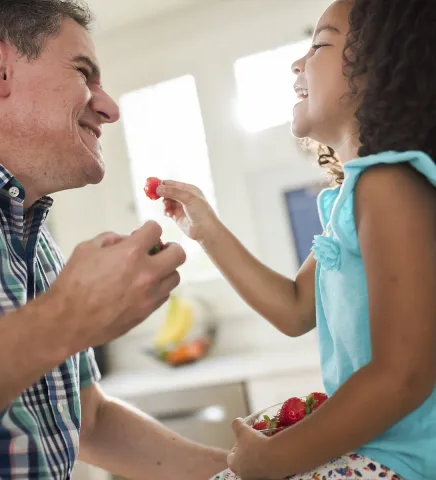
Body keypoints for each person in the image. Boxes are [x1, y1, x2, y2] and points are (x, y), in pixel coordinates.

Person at [158, 0, 436, 479]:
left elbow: (403, 374)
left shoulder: (388, 183)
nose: (297, 63)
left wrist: (275, 458)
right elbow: (294, 309)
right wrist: (205, 228)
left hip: (406, 461)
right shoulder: (356, 194)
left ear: (379, 68)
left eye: (321, 45)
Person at [0, 1, 229, 479]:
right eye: (84, 74)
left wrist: (248, 473)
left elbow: (92, 421)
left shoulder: (31, 232)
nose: (109, 107)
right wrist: (69, 316)